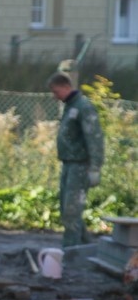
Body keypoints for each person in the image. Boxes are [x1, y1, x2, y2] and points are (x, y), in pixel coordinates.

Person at [48, 71, 104, 248]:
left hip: (80, 165)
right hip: (68, 163)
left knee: (72, 211)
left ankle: (70, 250)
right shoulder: (70, 106)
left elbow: (94, 138)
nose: (54, 96)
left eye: (56, 92)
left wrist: (95, 167)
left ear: (66, 87)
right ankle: (88, 248)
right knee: (67, 209)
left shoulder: (83, 107)